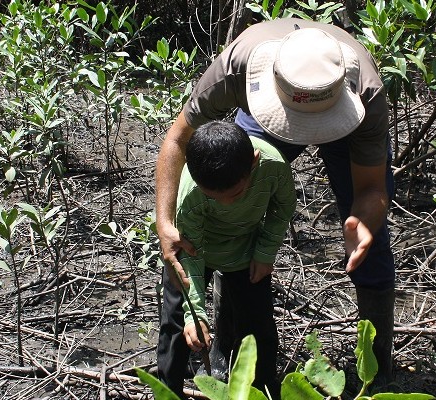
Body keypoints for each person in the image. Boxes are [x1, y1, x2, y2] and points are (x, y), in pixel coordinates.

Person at [156, 18, 396, 395]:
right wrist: (164, 220)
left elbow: (371, 188)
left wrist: (364, 221)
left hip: (345, 113)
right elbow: (177, 139)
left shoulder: (366, 94)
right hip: (272, 110)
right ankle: (226, 348)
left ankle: (378, 363)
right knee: (234, 202)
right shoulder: (236, 69)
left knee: (372, 245)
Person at [158, 120, 296, 398]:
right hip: (194, 252)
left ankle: (262, 393)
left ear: (254, 162)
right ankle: (168, 392)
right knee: (176, 324)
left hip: (246, 251)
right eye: (215, 198)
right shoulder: (190, 193)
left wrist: (265, 252)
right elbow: (191, 259)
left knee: (258, 331)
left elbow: (284, 206)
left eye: (235, 194)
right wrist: (193, 314)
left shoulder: (273, 165)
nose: (226, 204)